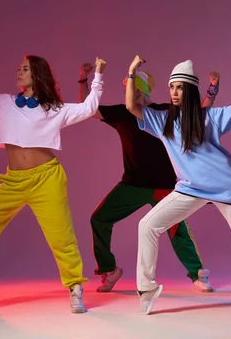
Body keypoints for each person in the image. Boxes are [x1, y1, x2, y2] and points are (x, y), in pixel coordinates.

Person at [0, 45, 106, 313]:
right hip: (13, 181)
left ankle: (75, 287)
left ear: (37, 74)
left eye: (24, 69)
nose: (18, 72)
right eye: (19, 69)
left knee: (61, 236)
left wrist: (99, 76)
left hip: (47, 179)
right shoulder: (1, 103)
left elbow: (89, 107)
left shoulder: (54, 108)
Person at [126, 56, 231, 316]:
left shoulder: (209, 117)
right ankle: (147, 289)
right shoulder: (163, 121)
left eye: (180, 87)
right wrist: (132, 72)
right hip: (189, 189)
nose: (174, 92)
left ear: (190, 90)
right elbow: (131, 107)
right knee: (147, 225)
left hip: (225, 187)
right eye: (172, 87)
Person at [78, 62, 218, 292]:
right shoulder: (122, 113)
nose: (127, 95)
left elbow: (199, 114)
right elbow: (88, 108)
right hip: (132, 184)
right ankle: (109, 270)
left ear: (141, 92)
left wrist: (212, 90)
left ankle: (197, 274)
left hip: (162, 187)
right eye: (126, 90)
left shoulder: (164, 112)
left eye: (131, 90)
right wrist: (83, 78)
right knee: (99, 219)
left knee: (177, 229)